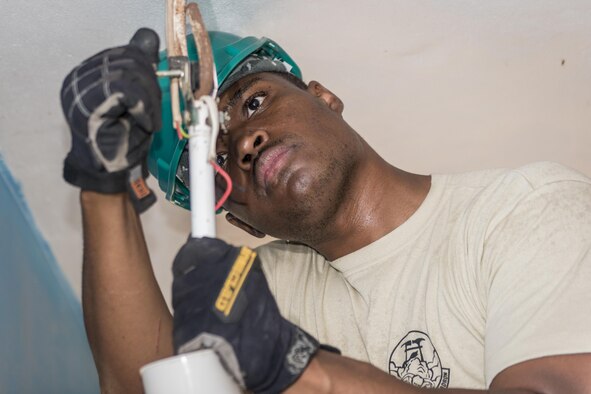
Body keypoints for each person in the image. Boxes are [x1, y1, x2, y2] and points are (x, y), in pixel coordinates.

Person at [60, 27, 591, 394]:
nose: (244, 142)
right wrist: (100, 187)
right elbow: (144, 383)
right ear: (241, 221)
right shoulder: (261, 290)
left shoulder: (523, 208)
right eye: (217, 160)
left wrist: (299, 370)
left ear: (324, 96)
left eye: (253, 102)